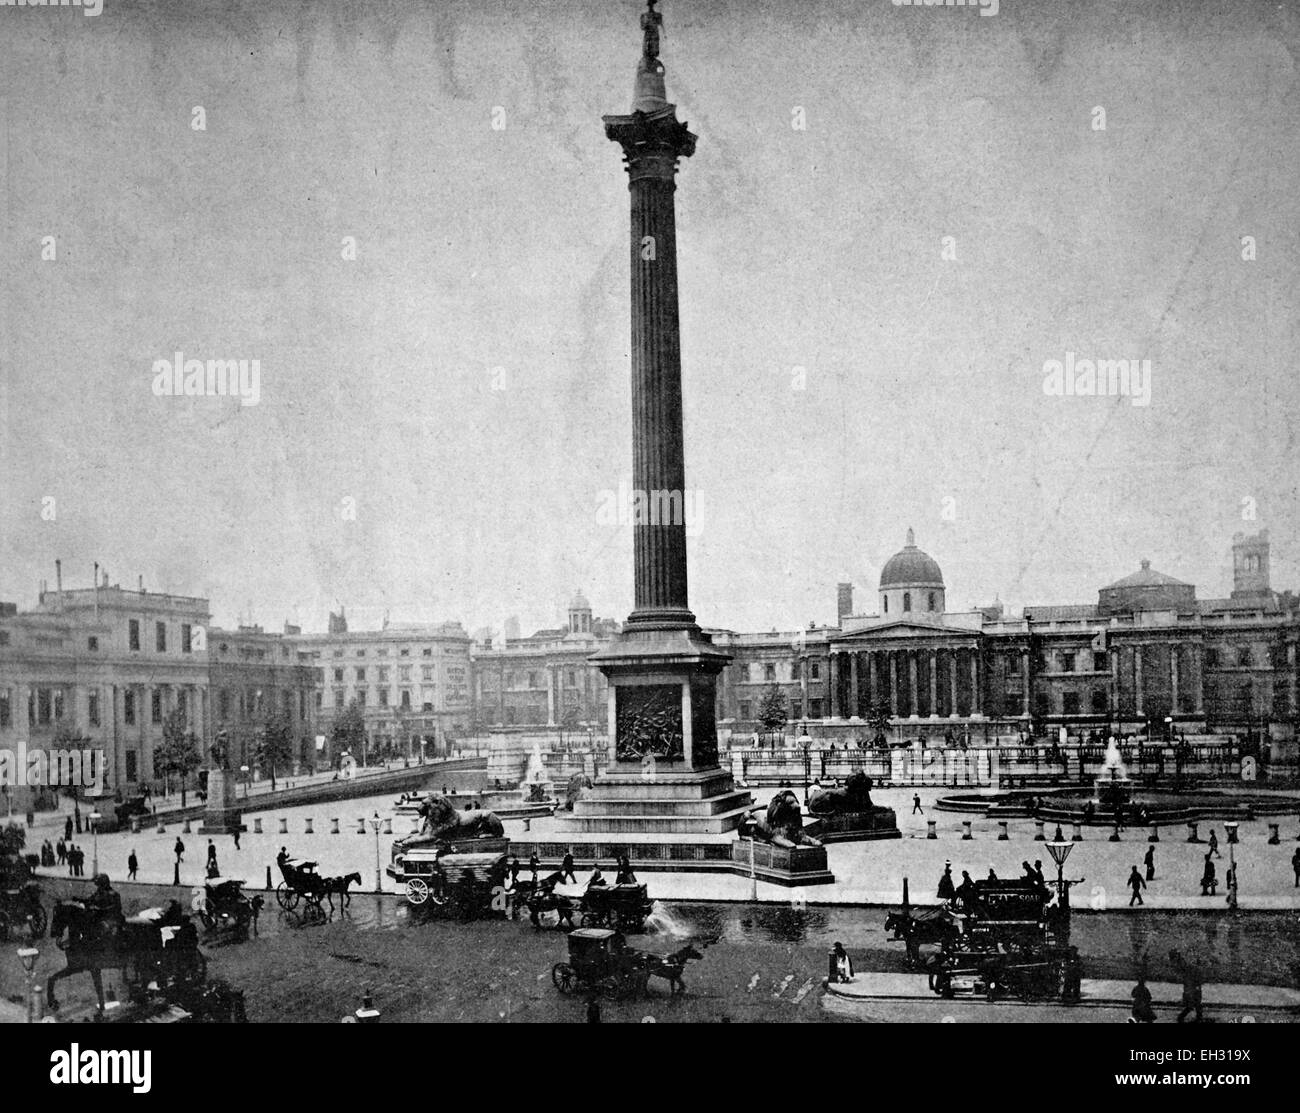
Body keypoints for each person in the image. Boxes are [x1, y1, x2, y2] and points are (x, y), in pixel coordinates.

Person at [1170, 950, 1203, 1023]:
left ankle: (1198, 1017)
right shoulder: (1190, 967)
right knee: (1194, 1004)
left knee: (1195, 1004)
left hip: (1191, 986)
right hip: (1192, 987)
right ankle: (1184, 1017)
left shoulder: (1187, 966)